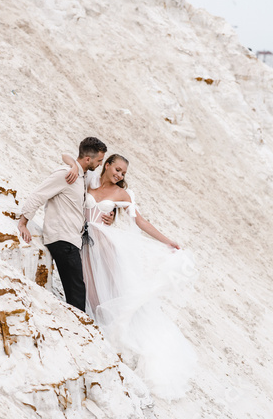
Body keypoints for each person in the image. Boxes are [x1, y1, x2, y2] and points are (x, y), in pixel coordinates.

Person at [63, 153, 197, 401]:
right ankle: (96, 332)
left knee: (112, 291)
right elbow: (67, 157)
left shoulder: (122, 195)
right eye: (117, 169)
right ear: (106, 165)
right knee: (89, 290)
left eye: (123, 173)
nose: (120, 175)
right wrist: (73, 164)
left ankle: (114, 336)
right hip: (81, 242)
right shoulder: (90, 180)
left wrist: (168, 241)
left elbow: (140, 221)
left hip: (103, 244)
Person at [18, 137, 110, 312]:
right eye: (99, 160)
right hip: (62, 240)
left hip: (71, 240)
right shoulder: (66, 174)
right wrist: (23, 222)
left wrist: (74, 164)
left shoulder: (81, 175)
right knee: (77, 293)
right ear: (88, 159)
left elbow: (65, 155)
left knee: (77, 290)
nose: (100, 164)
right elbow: (39, 194)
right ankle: (78, 334)